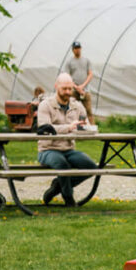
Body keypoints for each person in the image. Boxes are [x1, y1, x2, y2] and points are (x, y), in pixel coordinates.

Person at [36, 73, 99, 206]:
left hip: (69, 149)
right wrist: (69, 128)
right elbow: (45, 129)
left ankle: (58, 185)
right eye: (64, 89)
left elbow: (85, 125)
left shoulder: (77, 105)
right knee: (62, 164)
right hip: (48, 150)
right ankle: (68, 196)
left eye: (70, 89)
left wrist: (88, 128)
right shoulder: (45, 105)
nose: (68, 92)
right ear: (56, 86)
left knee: (92, 167)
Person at [66, 39, 95, 123]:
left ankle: (93, 130)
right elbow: (67, 76)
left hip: (85, 91)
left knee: (88, 111)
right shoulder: (69, 62)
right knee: (72, 110)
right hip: (74, 91)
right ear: (73, 50)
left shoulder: (86, 60)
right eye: (75, 48)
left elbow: (90, 74)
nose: (77, 49)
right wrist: (76, 87)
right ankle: (73, 127)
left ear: (81, 49)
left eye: (79, 48)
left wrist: (82, 86)